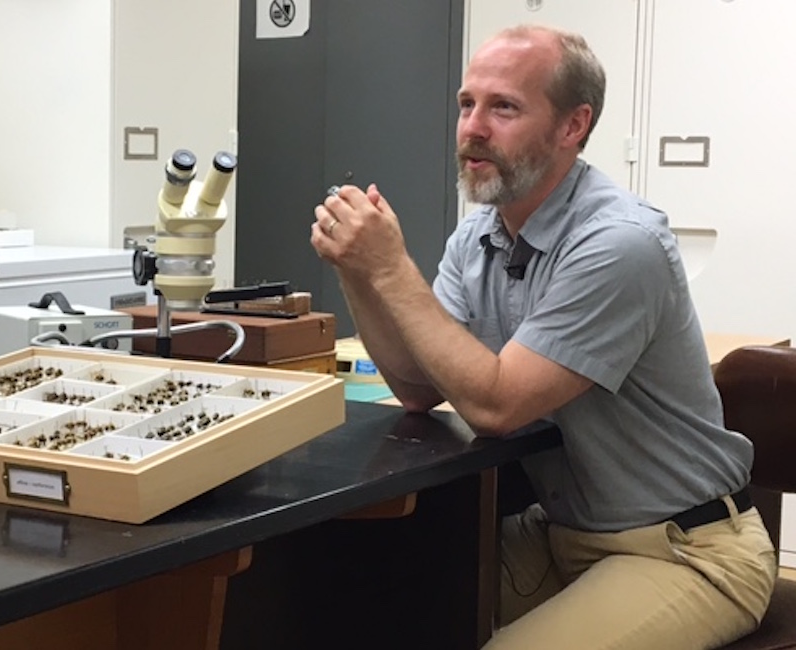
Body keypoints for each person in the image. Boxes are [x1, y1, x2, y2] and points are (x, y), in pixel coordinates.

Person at [310, 24, 776, 650]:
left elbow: (496, 405)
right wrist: (360, 274)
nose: (472, 127)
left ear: (572, 126)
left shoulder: (619, 244)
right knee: (359, 597)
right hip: (561, 536)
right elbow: (418, 387)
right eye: (466, 104)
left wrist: (393, 268)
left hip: (685, 551)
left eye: (503, 107)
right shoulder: (477, 236)